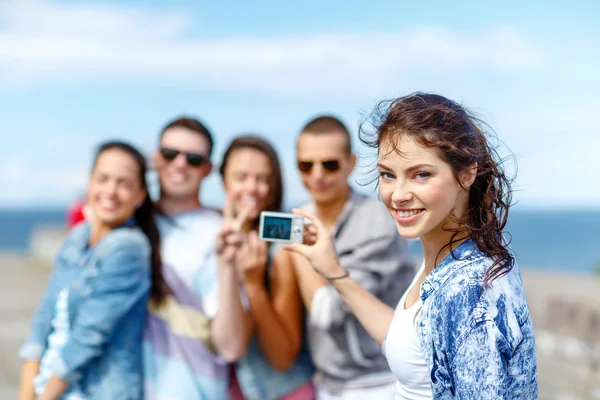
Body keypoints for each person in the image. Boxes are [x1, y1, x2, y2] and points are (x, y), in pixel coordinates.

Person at [285, 93, 538, 399]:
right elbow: (409, 342)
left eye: (421, 174)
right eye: (387, 175)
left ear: (467, 173)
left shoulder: (470, 289)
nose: (398, 194)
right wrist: (334, 273)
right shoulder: (445, 258)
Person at [18, 141, 168, 400]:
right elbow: (43, 321)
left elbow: (87, 340)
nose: (111, 191)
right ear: (89, 183)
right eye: (103, 179)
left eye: (124, 183)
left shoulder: (129, 248)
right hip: (47, 389)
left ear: (140, 195)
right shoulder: (77, 237)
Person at [291, 116, 415, 399]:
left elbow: (328, 312)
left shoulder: (376, 223)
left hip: (377, 382)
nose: (317, 175)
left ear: (351, 163)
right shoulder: (300, 216)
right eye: (306, 165)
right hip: (327, 382)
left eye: (330, 164)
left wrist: (298, 252)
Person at [143, 116, 252, 400]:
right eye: (170, 153)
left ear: (207, 169)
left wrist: (227, 265)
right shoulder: (132, 224)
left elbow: (230, 346)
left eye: (192, 158)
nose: (179, 164)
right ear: (155, 158)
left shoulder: (217, 234)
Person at [219, 135, 315, 399]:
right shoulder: (214, 234)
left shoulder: (282, 250)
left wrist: (253, 284)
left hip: (284, 391)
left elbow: (282, 358)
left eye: (263, 179)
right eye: (241, 177)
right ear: (223, 180)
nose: (252, 188)